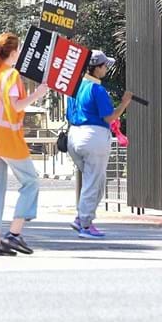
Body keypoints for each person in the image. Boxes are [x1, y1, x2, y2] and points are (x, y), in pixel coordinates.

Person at [0, 31, 48, 257]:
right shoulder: (10, 75)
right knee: (31, 182)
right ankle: (15, 233)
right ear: (14, 52)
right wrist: (39, 92)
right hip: (7, 137)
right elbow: (17, 106)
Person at [66, 50, 132, 239]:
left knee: (95, 181)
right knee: (93, 181)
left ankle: (82, 219)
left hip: (74, 135)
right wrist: (125, 103)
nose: (106, 69)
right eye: (105, 66)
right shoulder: (97, 89)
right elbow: (109, 116)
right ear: (98, 68)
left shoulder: (75, 87)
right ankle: (85, 223)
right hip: (93, 136)